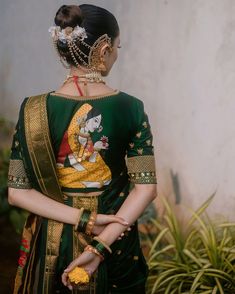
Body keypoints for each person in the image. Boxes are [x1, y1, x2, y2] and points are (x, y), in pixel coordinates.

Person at [7, 4, 157, 294]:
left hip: (52, 243)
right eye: (117, 47)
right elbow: (146, 188)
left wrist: (83, 220)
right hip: (114, 240)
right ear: (103, 49)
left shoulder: (32, 109)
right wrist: (99, 245)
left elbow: (17, 191)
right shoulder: (131, 107)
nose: (116, 53)